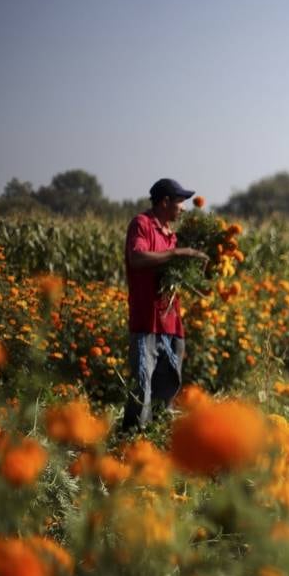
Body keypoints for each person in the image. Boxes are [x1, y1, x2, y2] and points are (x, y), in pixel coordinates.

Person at [120, 178, 208, 430]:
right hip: (146, 319)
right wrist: (178, 253)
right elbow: (137, 258)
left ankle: (157, 435)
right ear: (165, 202)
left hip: (170, 321)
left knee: (169, 382)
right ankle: (132, 441)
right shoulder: (142, 224)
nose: (183, 208)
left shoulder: (172, 235)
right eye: (180, 202)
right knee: (143, 386)